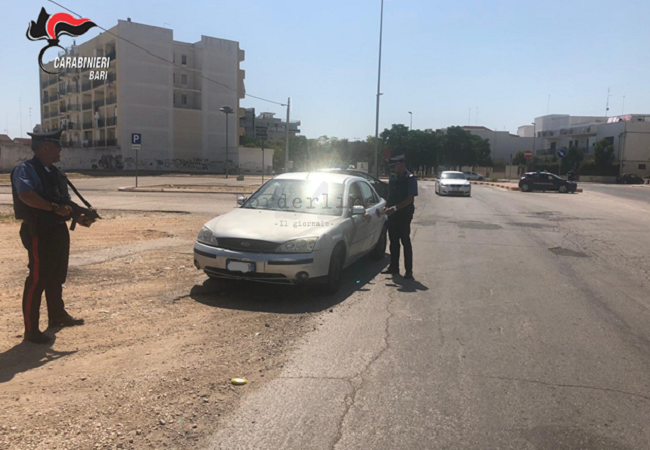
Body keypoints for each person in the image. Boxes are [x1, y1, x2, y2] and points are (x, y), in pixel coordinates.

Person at [11, 126, 95, 344]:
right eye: (57, 147)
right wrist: (53, 208)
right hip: (38, 230)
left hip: (57, 230)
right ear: (46, 148)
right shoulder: (26, 170)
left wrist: (78, 216)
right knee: (37, 278)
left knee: (57, 276)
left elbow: (64, 201)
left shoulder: (56, 173)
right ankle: (31, 330)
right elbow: (26, 195)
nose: (60, 151)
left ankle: (57, 316)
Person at [382, 154, 418, 279]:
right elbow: (390, 195)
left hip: (404, 214)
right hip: (392, 214)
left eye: (394, 166)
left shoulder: (410, 178)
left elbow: (410, 199)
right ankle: (394, 267)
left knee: (405, 241)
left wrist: (395, 208)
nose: (392, 169)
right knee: (393, 241)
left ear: (401, 165)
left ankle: (408, 271)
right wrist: (386, 206)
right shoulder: (393, 177)